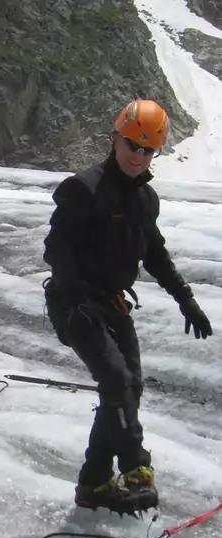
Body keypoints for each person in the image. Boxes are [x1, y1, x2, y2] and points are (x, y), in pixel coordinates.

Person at [43, 99, 213, 516]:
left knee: (128, 387)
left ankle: (94, 483)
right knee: (118, 382)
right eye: (132, 145)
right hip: (75, 305)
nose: (138, 156)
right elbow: (56, 249)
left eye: (147, 150)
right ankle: (135, 467)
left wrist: (185, 298)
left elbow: (153, 253)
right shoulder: (83, 189)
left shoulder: (144, 199)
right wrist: (77, 296)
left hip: (113, 305)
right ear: (115, 139)